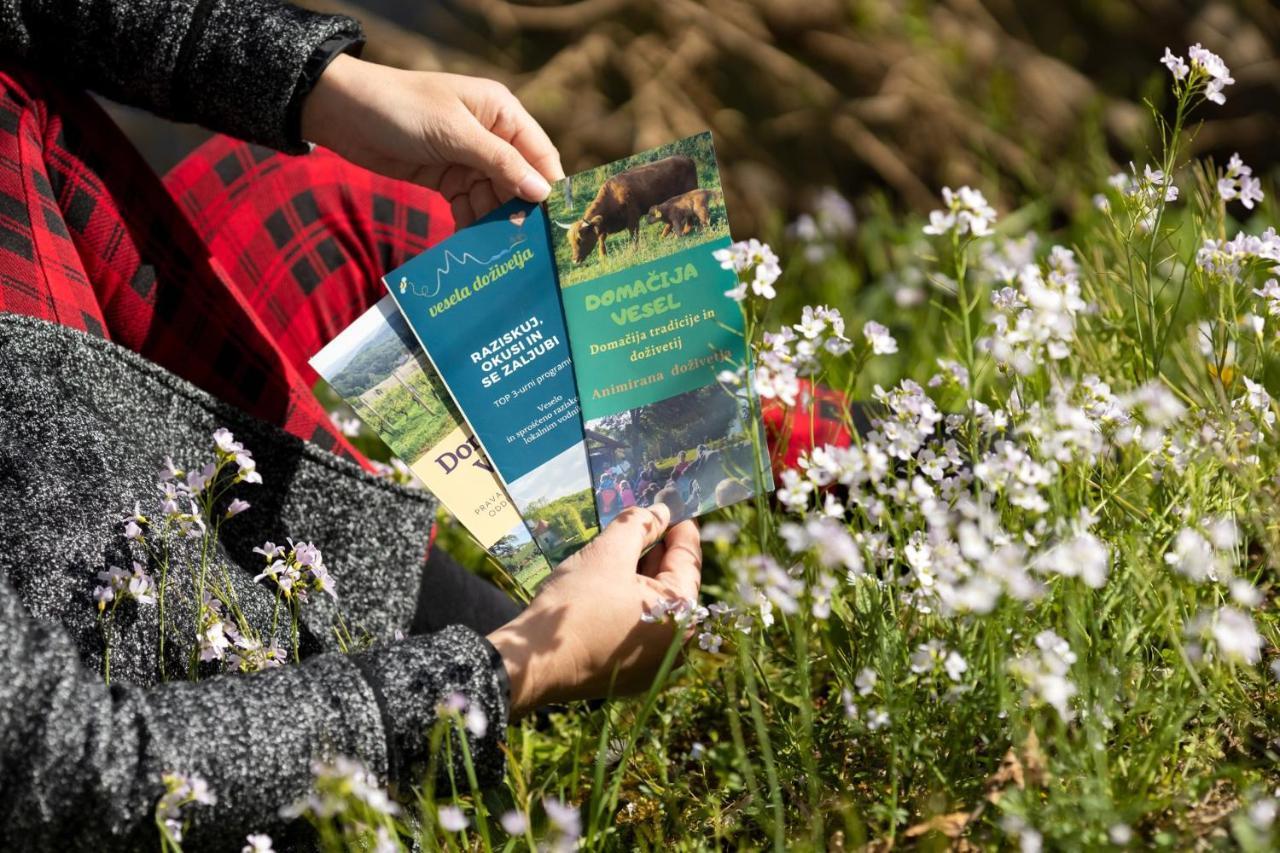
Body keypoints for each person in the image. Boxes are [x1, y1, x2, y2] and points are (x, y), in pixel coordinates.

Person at [0, 3, 701, 849]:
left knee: (336, 198)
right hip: (181, 676)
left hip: (72, 384)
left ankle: (799, 442)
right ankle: (626, 617)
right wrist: (525, 663)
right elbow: (86, 773)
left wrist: (322, 88)